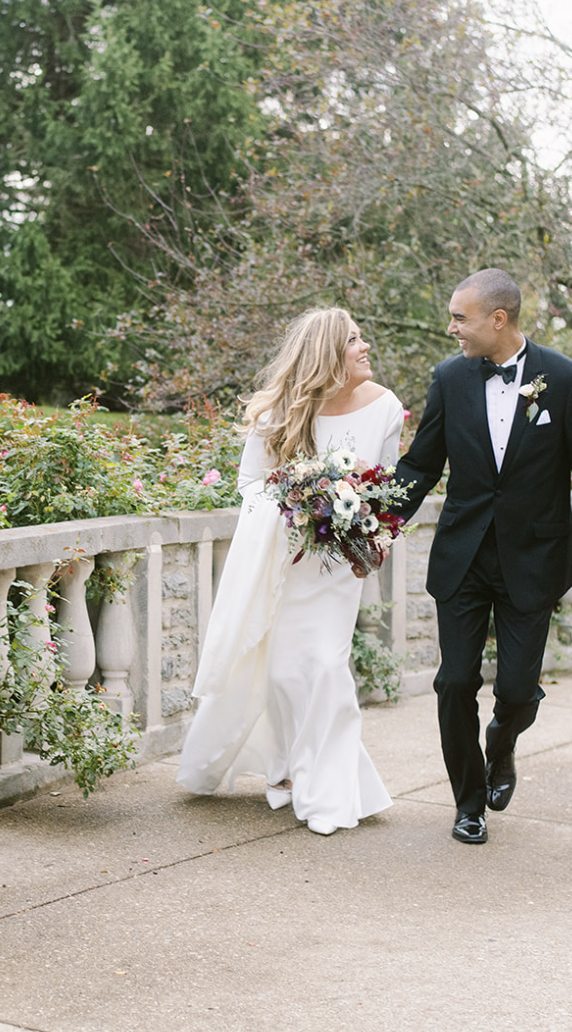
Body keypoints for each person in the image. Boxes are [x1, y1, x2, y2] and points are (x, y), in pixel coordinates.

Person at [390, 269, 572, 845]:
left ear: (499, 319)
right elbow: (420, 465)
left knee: (517, 690)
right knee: (453, 683)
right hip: (463, 556)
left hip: (532, 558)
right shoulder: (448, 378)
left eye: (460, 318)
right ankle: (468, 802)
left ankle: (503, 741)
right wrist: (374, 525)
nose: (451, 329)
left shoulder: (564, 380)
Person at [176, 308, 405, 835]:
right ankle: (286, 772)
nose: (365, 346)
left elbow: (385, 488)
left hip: (338, 565)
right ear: (327, 354)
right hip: (285, 559)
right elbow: (251, 482)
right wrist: (302, 505)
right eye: (354, 340)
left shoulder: (385, 407)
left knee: (324, 664)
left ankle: (328, 793)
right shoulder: (277, 412)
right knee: (281, 672)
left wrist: (364, 522)